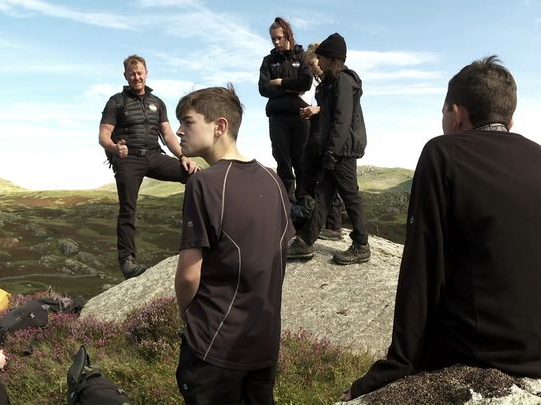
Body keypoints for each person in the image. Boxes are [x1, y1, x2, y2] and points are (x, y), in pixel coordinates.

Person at [342, 56, 541, 401]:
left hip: (499, 349)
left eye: (443, 112)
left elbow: (424, 264)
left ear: (456, 114)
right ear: (510, 119)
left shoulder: (442, 152)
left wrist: (399, 363)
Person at [173, 85, 294, 404]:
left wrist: (188, 319)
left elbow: (188, 275)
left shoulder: (203, 183)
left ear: (220, 126)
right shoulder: (273, 180)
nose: (179, 131)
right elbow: (276, 260)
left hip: (213, 346)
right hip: (264, 343)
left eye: (187, 121)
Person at [99, 54, 199, 279]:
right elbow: (103, 135)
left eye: (140, 73)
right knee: (128, 208)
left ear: (146, 73)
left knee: (194, 176)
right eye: (132, 74)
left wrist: (183, 156)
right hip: (128, 159)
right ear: (125, 76)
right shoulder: (116, 102)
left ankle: (193, 240)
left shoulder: (158, 103)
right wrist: (115, 148)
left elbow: (168, 134)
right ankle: (127, 261)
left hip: (154, 156)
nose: (136, 77)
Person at [287, 33, 370, 265]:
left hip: (342, 150)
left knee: (350, 195)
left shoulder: (343, 81)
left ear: (332, 59)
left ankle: (361, 245)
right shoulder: (331, 83)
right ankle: (305, 241)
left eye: (322, 58)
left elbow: (342, 120)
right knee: (324, 195)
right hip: (335, 149)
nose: (319, 62)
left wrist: (332, 152)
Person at [258, 17, 314, 203]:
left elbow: (305, 82)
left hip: (300, 116)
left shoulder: (301, 56)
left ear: (288, 36)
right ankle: (287, 201)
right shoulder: (268, 61)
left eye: (279, 38)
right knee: (282, 160)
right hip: (277, 117)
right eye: (273, 38)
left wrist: (280, 82)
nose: (276, 42)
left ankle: (304, 198)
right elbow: (263, 88)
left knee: (301, 159)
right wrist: (291, 88)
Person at [299, 42, 344, 241]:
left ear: (321, 59)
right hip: (318, 136)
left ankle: (333, 226)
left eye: (312, 64)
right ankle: (324, 222)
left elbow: (340, 110)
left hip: (329, 139)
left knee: (329, 182)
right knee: (311, 177)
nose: (311, 69)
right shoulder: (323, 83)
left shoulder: (337, 80)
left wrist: (318, 109)